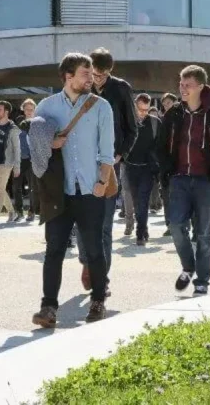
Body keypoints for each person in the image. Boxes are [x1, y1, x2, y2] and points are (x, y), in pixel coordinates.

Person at [31, 53, 116, 327]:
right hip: (59, 191)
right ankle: (48, 308)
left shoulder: (101, 107)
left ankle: (98, 300)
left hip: (91, 190)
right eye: (85, 73)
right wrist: (50, 143)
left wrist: (102, 183)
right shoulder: (46, 107)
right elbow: (34, 146)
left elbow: (107, 152)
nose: (91, 78)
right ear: (68, 76)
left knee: (94, 250)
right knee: (54, 250)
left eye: (92, 74)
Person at [158, 65, 210, 296]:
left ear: (200, 87)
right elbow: (160, 146)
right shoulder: (174, 114)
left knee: (203, 233)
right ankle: (188, 266)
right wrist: (168, 171)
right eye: (181, 84)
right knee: (175, 226)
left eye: (187, 85)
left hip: (205, 181)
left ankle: (202, 281)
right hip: (179, 179)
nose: (182, 89)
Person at [77, 47, 137, 292]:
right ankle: (87, 261)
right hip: (82, 163)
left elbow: (132, 128)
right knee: (81, 222)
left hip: (108, 164)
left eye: (101, 75)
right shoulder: (82, 88)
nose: (96, 79)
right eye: (93, 74)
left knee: (103, 225)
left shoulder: (121, 89)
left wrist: (118, 155)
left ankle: (101, 275)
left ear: (110, 72)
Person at [125, 94, 161, 245]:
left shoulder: (155, 123)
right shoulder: (127, 122)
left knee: (143, 200)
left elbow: (160, 146)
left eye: (146, 110)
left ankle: (140, 232)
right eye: (140, 109)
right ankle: (143, 228)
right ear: (134, 106)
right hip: (130, 167)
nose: (143, 113)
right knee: (135, 200)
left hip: (147, 168)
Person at [0, 101, 21, 224]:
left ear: (6, 112)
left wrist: (17, 167)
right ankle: (12, 212)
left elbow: (17, 149)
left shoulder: (13, 129)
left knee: (0, 188)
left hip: (6, 163)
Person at [14, 98, 40, 222]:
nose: (29, 111)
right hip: (19, 158)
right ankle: (19, 212)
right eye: (27, 109)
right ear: (23, 110)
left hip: (32, 159)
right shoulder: (18, 122)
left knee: (32, 187)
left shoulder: (38, 122)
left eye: (31, 109)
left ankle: (32, 211)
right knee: (16, 186)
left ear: (35, 110)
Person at [159, 93, 178, 236]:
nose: (167, 105)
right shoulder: (161, 121)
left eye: (169, 102)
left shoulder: (181, 119)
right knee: (166, 196)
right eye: (164, 103)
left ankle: (181, 224)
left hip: (179, 164)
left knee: (179, 196)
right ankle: (170, 224)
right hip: (165, 165)